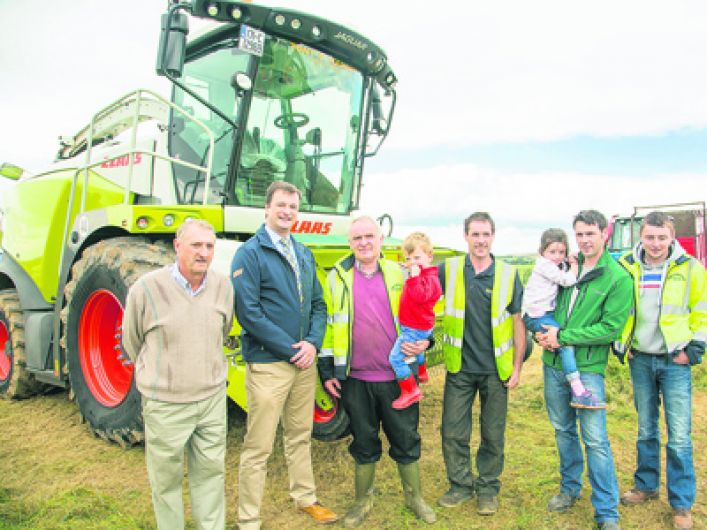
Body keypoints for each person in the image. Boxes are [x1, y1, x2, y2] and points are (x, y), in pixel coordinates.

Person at [231, 181, 337, 529]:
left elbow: (319, 305)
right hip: (269, 365)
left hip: (303, 364)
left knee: (299, 435)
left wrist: (312, 343)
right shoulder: (250, 253)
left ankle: (305, 498)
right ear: (266, 208)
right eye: (281, 205)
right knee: (258, 446)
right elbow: (248, 312)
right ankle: (248, 518)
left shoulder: (303, 252)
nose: (288, 212)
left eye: (293, 206)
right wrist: (291, 349)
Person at [319, 216, 436, 528]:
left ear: (382, 239)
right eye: (357, 238)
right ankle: (362, 501)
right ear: (349, 242)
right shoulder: (336, 278)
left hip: (398, 378)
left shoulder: (400, 273)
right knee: (364, 441)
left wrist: (427, 340)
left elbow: (424, 311)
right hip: (356, 379)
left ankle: (414, 497)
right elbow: (330, 327)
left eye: (370, 236)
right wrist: (327, 367)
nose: (364, 243)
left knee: (406, 437)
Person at [122, 219, 234, 530]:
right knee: (166, 480)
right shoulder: (146, 289)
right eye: (196, 245)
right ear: (177, 246)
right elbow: (132, 341)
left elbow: (220, 334)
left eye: (210, 246)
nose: (204, 252)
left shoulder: (224, 287)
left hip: (211, 400)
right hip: (167, 404)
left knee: (211, 475)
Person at [537, 209, 632, 530]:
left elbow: (610, 328)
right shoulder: (565, 267)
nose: (584, 240)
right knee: (563, 431)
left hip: (588, 368)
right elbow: (547, 304)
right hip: (553, 364)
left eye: (590, 233)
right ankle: (569, 489)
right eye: (579, 234)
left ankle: (606, 510)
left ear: (604, 233)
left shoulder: (617, 278)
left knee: (594, 439)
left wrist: (563, 336)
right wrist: (542, 332)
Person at [614, 211, 705, 530]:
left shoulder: (690, 268)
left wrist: (694, 347)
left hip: (674, 360)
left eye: (662, 238)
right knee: (646, 429)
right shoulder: (626, 265)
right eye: (650, 237)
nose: (655, 244)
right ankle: (646, 486)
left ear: (672, 238)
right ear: (641, 237)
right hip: (640, 357)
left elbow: (702, 308)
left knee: (679, 436)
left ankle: (681, 504)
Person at [437, 212, 526, 516]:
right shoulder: (447, 270)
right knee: (452, 431)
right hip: (459, 368)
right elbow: (421, 299)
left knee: (493, 434)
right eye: (475, 234)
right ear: (465, 236)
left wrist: (516, 368)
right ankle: (461, 485)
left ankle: (487, 488)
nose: (481, 240)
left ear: (493, 236)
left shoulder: (507, 274)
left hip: (495, 371)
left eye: (486, 234)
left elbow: (517, 323)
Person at [522, 228, 604, 409]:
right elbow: (567, 280)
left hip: (542, 313)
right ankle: (578, 390)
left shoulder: (552, 264)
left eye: (561, 252)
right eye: (552, 252)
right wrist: (574, 265)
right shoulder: (544, 265)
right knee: (564, 343)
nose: (557, 256)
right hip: (537, 315)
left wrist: (568, 261)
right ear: (542, 251)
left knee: (558, 342)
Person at [389, 232, 442, 409]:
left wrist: (413, 276)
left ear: (430, 256)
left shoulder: (429, 279)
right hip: (418, 325)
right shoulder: (425, 275)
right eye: (409, 258)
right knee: (418, 352)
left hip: (414, 327)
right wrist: (412, 268)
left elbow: (420, 296)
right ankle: (422, 371)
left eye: (417, 257)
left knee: (395, 359)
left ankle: (410, 390)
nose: (412, 262)